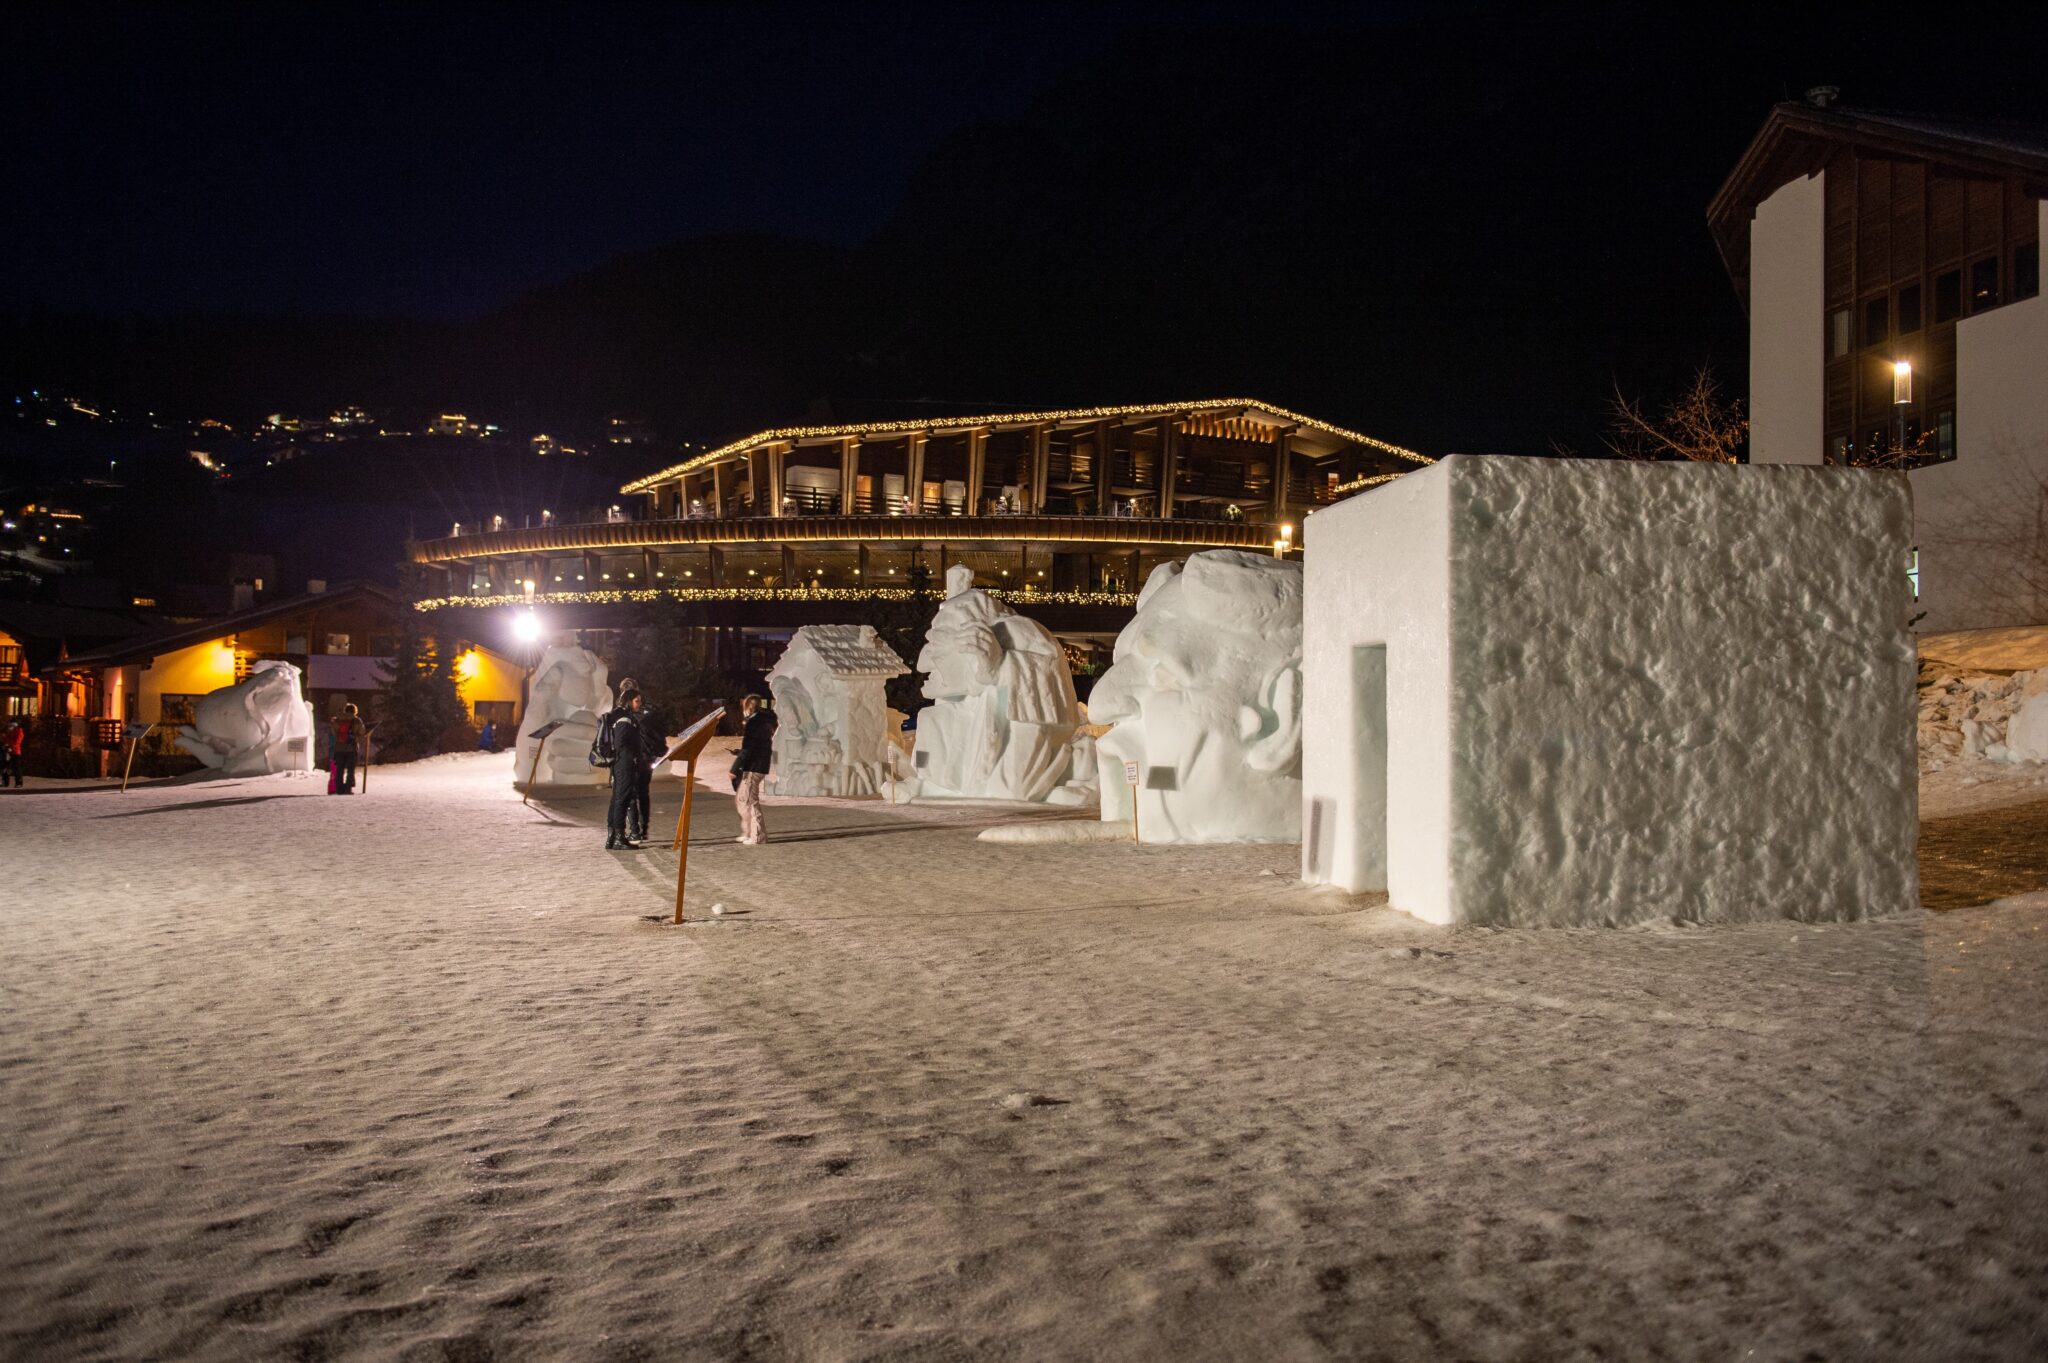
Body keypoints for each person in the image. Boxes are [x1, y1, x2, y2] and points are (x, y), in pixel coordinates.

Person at [605, 688, 651, 850]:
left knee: (617, 799)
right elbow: (621, 743)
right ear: (628, 701)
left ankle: (612, 837)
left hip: (622, 763)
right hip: (624, 764)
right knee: (622, 799)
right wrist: (632, 757)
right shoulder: (624, 718)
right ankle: (619, 838)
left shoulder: (622, 716)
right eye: (637, 701)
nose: (639, 704)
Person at [732, 692, 776, 845]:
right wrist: (739, 753)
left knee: (750, 801)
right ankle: (747, 832)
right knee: (742, 799)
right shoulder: (764, 722)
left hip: (754, 767)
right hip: (758, 764)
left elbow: (749, 748)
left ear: (749, 708)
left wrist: (734, 768)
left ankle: (758, 836)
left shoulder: (753, 723)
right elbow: (757, 745)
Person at [329, 703, 365, 794]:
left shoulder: (337, 720)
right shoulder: (356, 720)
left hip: (339, 748)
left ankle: (339, 789)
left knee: (339, 769)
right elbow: (362, 732)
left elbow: (333, 732)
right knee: (350, 769)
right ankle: (348, 789)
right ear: (355, 711)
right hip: (351, 748)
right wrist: (355, 737)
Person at [1, 718, 24, 787]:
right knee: (5, 767)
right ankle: (5, 782)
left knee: (16, 767)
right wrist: (4, 739)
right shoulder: (9, 732)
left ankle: (19, 782)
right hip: (7, 751)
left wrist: (9, 745)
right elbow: (6, 740)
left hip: (15, 752)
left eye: (11, 725)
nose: (10, 727)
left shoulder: (19, 731)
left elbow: (17, 741)